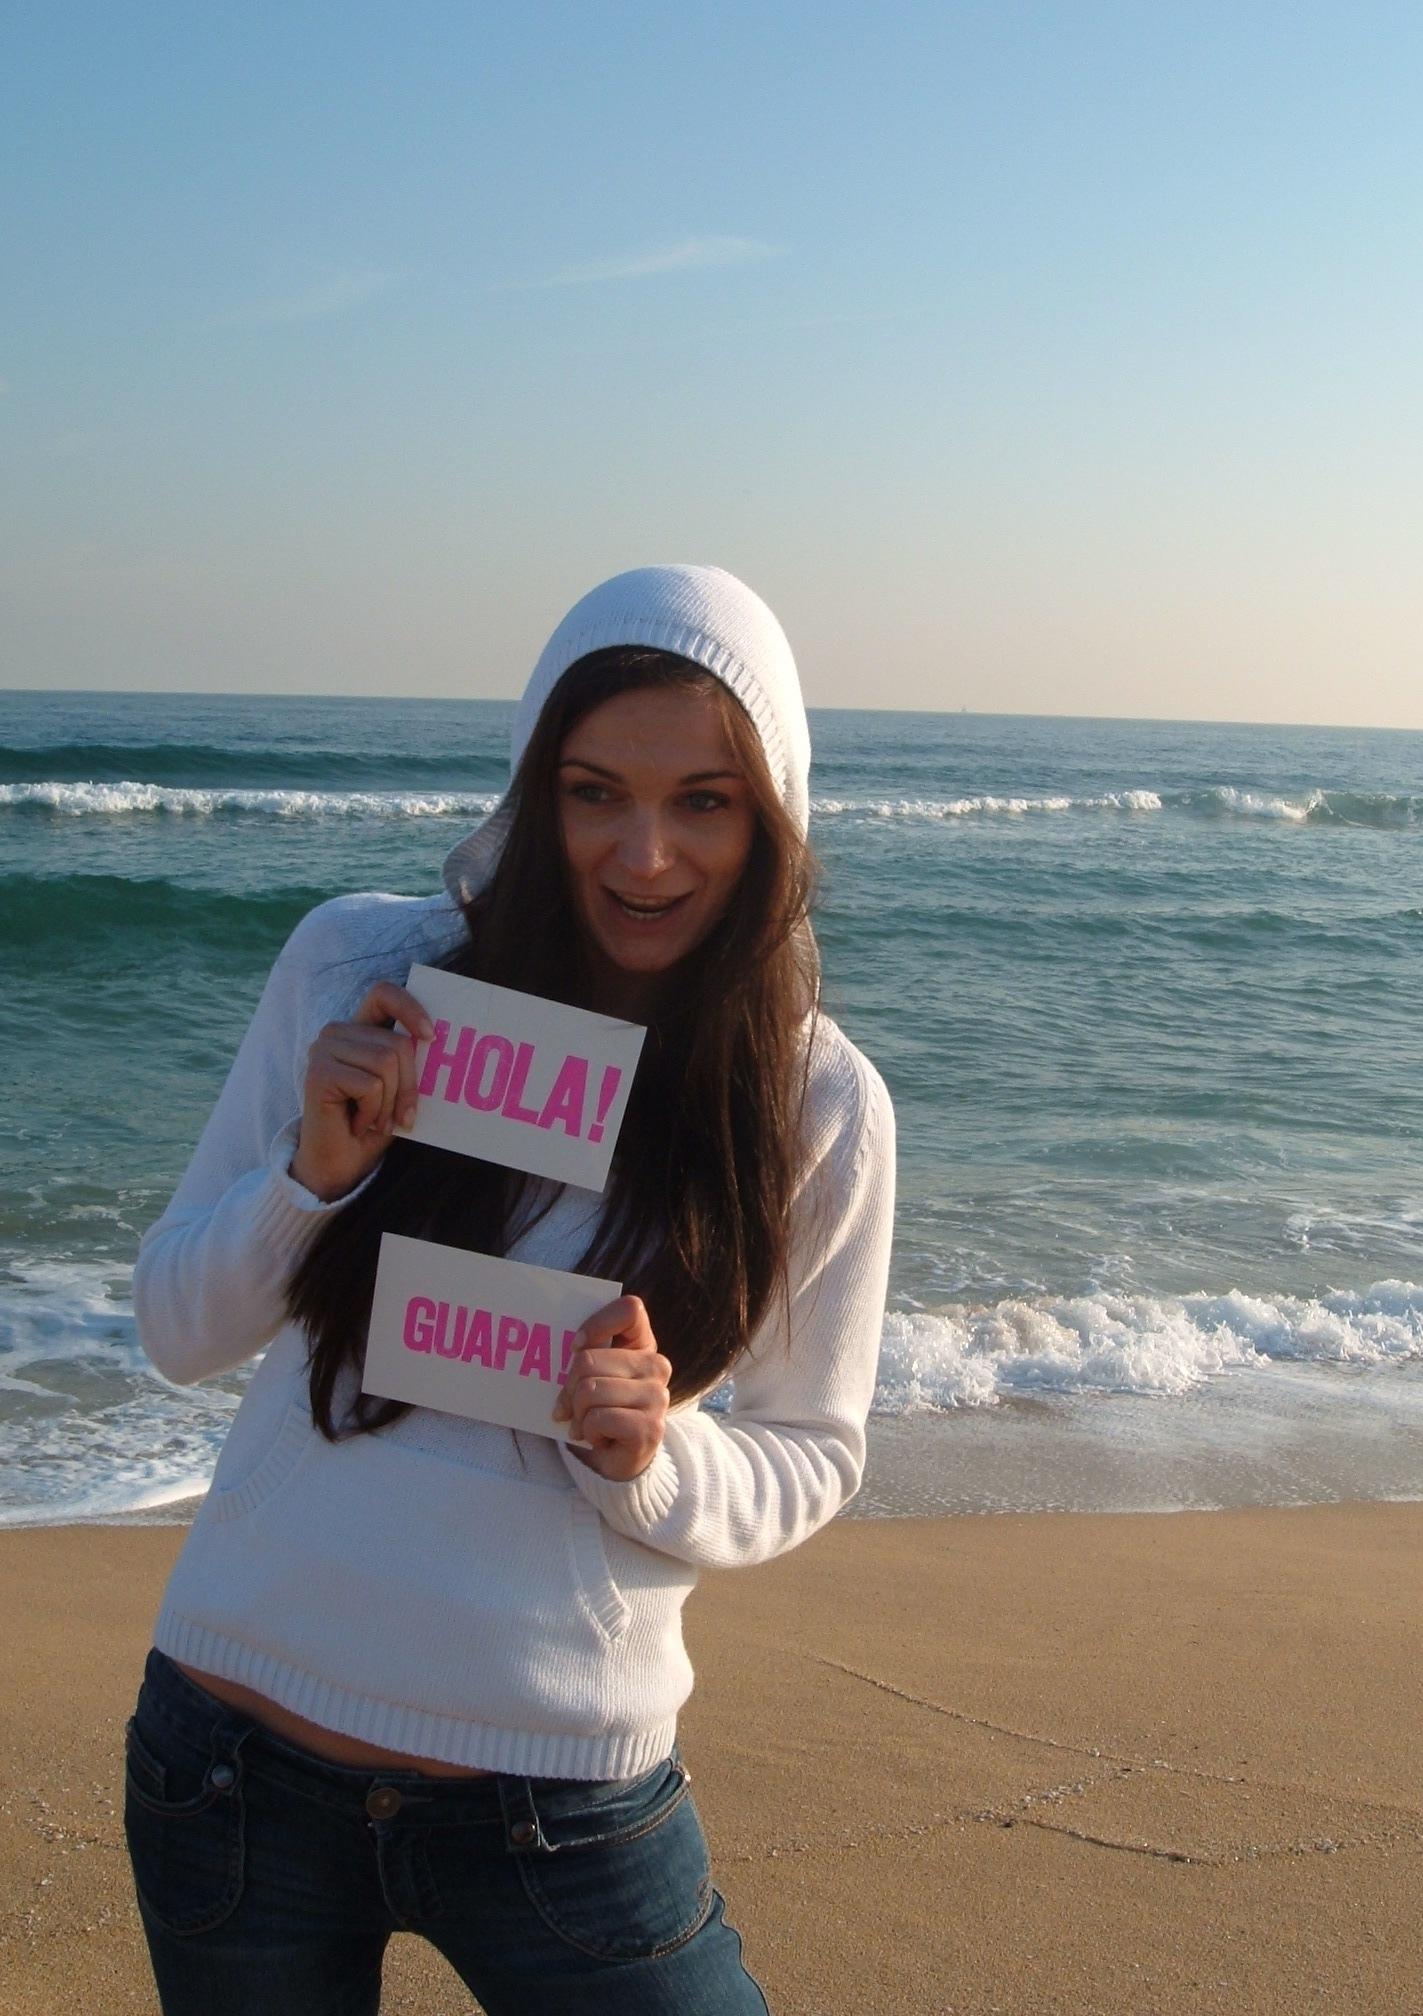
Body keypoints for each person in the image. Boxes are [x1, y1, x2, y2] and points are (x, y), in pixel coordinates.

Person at [124, 563, 897, 2015]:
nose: (645, 854)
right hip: (234, 1769)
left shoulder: (814, 1105)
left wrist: (658, 1457)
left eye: (706, 803)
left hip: (563, 1806)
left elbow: (815, 1449)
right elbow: (177, 1328)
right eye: (596, 791)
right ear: (536, 787)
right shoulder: (364, 967)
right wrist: (312, 1178)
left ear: (775, 813)